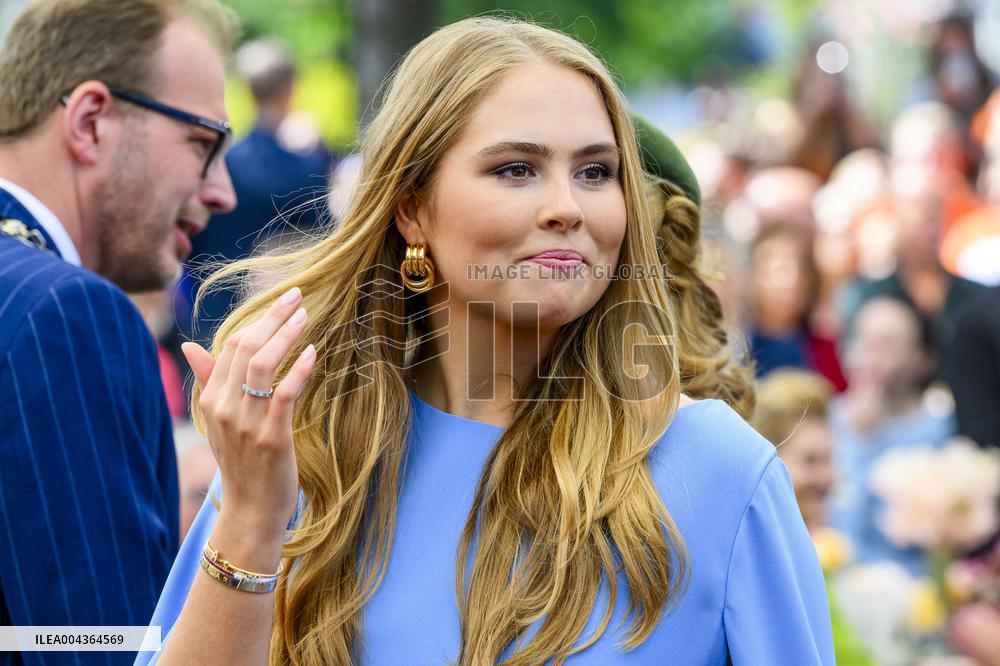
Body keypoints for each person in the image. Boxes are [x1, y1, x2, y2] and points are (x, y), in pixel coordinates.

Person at [141, 18, 833, 665]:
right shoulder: (302, 450)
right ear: (412, 208)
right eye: (516, 169)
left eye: (595, 171)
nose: (566, 205)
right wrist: (253, 525)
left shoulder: (719, 471)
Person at [0, 0, 237, 652]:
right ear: (91, 121)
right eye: (203, 143)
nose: (223, 192)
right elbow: (100, 644)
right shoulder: (66, 315)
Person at [186, 37, 334, 344]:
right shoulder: (304, 169)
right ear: (290, 89)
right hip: (279, 327)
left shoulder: (219, 167)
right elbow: (328, 243)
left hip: (212, 318)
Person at [828, 295, 955, 574]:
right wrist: (860, 436)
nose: (872, 354)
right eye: (864, 340)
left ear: (922, 357)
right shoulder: (828, 421)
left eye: (888, 343)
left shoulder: (939, 429)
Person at [746, 223, 848, 391]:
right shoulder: (738, 347)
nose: (787, 281)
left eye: (796, 268)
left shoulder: (824, 350)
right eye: (774, 269)